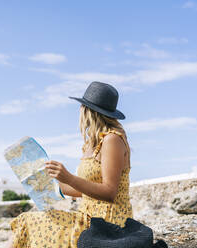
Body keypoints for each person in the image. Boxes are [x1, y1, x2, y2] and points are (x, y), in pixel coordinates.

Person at [8, 81, 133, 247]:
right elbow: (85, 190)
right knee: (29, 222)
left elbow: (109, 192)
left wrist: (68, 177)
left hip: (108, 223)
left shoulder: (112, 140)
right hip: (88, 217)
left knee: (27, 221)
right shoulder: (92, 144)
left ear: (88, 111)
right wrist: (45, 182)